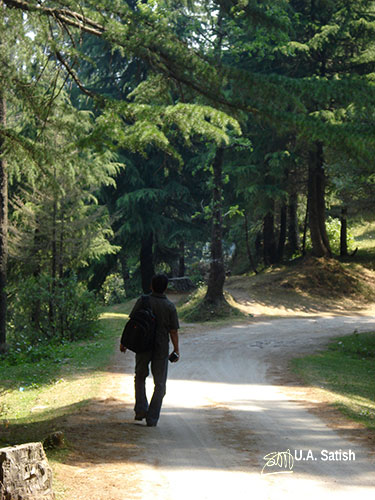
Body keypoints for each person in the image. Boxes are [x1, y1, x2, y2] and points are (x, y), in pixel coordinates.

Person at [120, 273, 180, 427]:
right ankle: (152, 418)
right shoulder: (170, 307)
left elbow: (132, 322)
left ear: (151, 286)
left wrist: (124, 342)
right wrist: (176, 349)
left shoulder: (143, 300)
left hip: (142, 345)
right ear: (166, 288)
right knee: (160, 383)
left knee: (140, 376)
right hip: (161, 347)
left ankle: (140, 409)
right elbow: (173, 331)